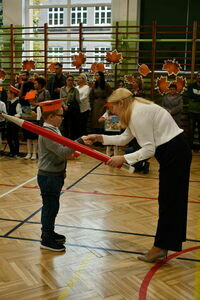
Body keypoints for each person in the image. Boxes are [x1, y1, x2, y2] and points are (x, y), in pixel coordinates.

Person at [85, 88, 192, 262]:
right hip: (172, 152)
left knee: (170, 201)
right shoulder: (134, 109)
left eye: (113, 109)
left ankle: (160, 247)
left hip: (174, 152)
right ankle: (164, 245)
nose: (112, 113)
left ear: (121, 103)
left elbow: (149, 149)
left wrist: (123, 158)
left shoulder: (138, 113)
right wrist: (99, 138)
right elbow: (124, 139)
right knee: (170, 200)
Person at [37, 99, 87, 252]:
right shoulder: (47, 133)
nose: (62, 118)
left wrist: (62, 169)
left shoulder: (54, 129)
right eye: (60, 115)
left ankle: (49, 232)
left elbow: (62, 151)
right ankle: (46, 238)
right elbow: (62, 151)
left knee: (53, 206)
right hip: (48, 177)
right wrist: (80, 141)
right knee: (50, 207)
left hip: (55, 174)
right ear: (51, 116)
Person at [60, 74, 81, 140]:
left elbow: (78, 101)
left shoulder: (75, 90)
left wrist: (70, 105)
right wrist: (64, 105)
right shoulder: (62, 89)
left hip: (72, 110)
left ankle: (72, 139)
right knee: (65, 124)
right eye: (69, 80)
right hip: (64, 109)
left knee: (72, 125)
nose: (70, 81)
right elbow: (61, 99)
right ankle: (65, 139)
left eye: (72, 80)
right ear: (66, 81)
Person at [6, 86, 22, 158]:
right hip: (9, 122)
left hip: (15, 123)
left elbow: (19, 113)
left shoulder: (17, 103)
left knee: (15, 138)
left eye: (8, 93)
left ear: (12, 94)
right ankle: (11, 151)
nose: (7, 95)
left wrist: (13, 117)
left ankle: (17, 152)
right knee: (9, 137)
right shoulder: (10, 102)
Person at [187, 71, 200, 149]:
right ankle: (190, 147)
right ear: (196, 77)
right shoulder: (191, 86)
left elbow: (193, 96)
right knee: (191, 130)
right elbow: (190, 95)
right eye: (198, 75)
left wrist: (195, 98)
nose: (199, 77)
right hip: (192, 111)